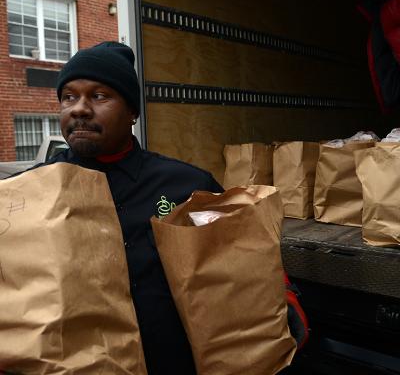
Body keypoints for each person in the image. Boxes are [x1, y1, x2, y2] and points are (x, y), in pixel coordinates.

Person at [32, 41, 308, 374]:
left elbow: (244, 254)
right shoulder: (31, 194)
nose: (79, 108)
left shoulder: (186, 185)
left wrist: (284, 298)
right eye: (69, 97)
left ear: (132, 111)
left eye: (100, 96)